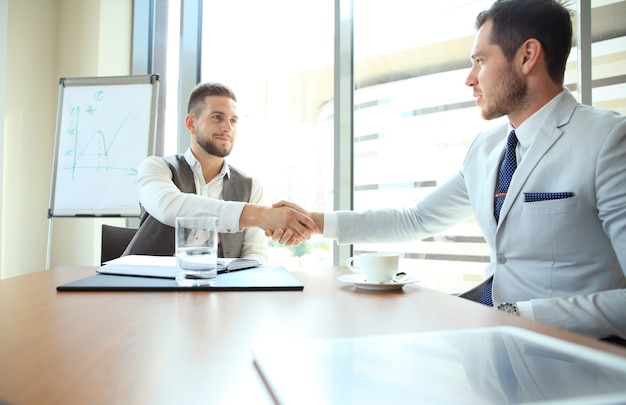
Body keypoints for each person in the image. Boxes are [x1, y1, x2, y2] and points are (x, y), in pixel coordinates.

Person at [270, 0, 626, 341]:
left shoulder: (607, 140)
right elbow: (415, 220)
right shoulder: (486, 149)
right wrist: (317, 222)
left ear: (527, 56)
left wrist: (517, 317)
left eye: (480, 61)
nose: (470, 79)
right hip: (492, 343)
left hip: (569, 353)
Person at [124, 82, 317, 262]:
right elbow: (168, 207)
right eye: (217, 117)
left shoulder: (251, 187)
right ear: (191, 123)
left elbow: (255, 253)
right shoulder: (156, 167)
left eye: (233, 120)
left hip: (220, 292)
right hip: (147, 289)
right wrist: (262, 215)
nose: (228, 128)